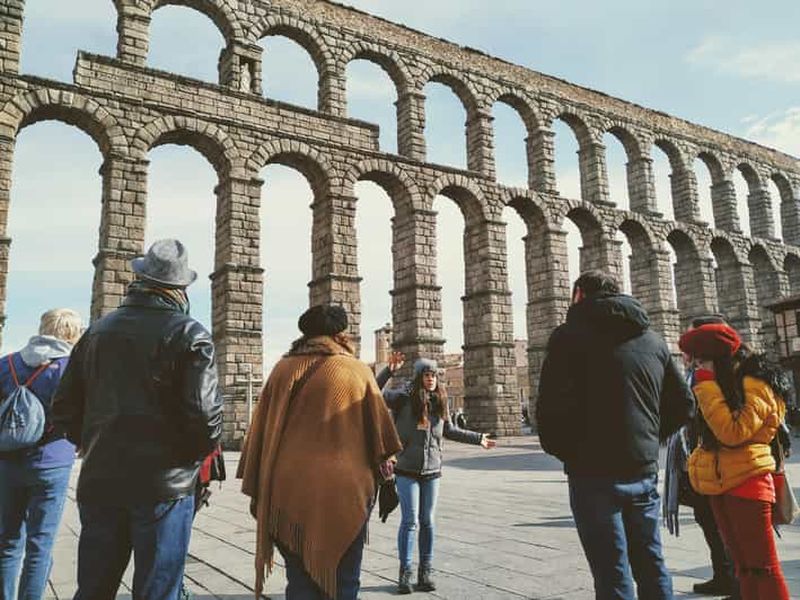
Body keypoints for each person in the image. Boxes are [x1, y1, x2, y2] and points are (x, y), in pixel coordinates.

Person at [52, 238, 224, 600]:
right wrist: (185, 463)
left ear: (140, 279)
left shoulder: (96, 332)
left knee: (93, 590)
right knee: (157, 591)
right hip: (164, 488)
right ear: (180, 287)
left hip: (101, 480)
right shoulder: (190, 333)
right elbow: (205, 419)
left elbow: (64, 408)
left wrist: (94, 444)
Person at [536, 270, 695, 600]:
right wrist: (649, 437)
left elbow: (549, 408)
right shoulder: (653, 339)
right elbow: (684, 404)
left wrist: (567, 451)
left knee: (611, 571)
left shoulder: (567, 337)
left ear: (579, 294)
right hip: (643, 470)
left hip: (591, 473)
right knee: (651, 562)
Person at [237, 304, 401, 600]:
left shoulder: (282, 370)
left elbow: (259, 432)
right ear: (341, 335)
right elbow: (382, 439)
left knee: (299, 581)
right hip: (346, 492)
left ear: (306, 334)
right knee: (344, 582)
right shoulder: (356, 371)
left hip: (287, 492)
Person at [681, 322, 791, 599]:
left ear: (719, 358)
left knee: (762, 566)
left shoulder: (755, 383)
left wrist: (706, 387)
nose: (697, 367)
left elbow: (733, 433)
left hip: (749, 482)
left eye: (702, 361)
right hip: (723, 481)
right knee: (743, 567)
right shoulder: (728, 382)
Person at [376, 352, 496, 595]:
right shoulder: (403, 398)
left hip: (432, 471)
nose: (431, 379)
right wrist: (389, 371)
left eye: (434, 375)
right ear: (419, 377)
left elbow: (450, 430)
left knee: (428, 522)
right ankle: (405, 572)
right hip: (406, 469)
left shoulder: (441, 401)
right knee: (410, 521)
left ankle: (425, 572)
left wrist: (478, 438)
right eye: (427, 375)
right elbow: (374, 392)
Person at [0, 309, 82, 600]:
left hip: (8, 461)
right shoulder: (71, 368)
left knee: (8, 542)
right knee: (40, 544)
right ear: (73, 334)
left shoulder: (7, 363)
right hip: (52, 461)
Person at [664, 315, 738, 598]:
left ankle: (735, 580)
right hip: (698, 461)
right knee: (707, 519)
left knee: (723, 524)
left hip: (719, 463)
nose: (684, 351)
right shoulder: (696, 373)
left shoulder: (723, 375)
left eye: (691, 342)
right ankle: (723, 574)